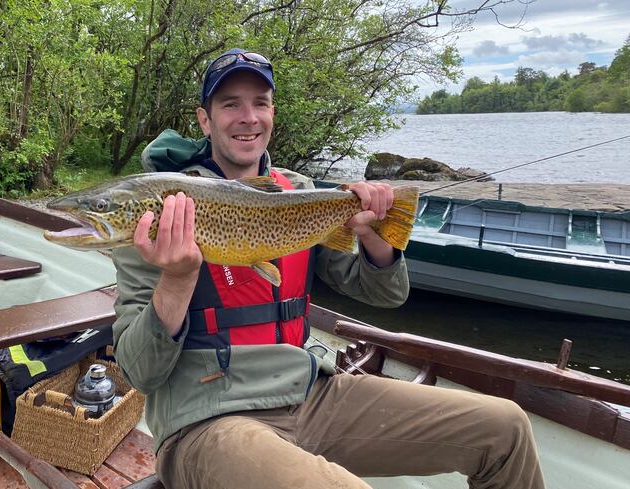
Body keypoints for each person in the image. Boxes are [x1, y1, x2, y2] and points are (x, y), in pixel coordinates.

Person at [111, 48, 545, 489]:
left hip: (310, 393)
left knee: (505, 427)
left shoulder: (300, 194)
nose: (248, 117)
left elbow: (385, 296)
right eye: (230, 105)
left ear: (273, 113)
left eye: (260, 103)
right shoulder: (155, 219)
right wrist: (178, 277)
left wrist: (375, 236)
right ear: (205, 120)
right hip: (206, 419)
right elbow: (138, 373)